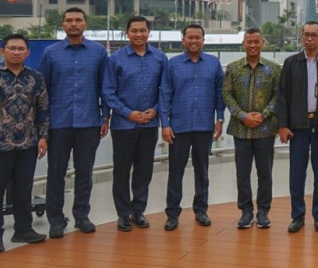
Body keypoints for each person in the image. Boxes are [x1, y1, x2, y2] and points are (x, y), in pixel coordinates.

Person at [38, 7, 110, 239]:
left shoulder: (98, 52)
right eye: (69, 20)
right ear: (63, 24)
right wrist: (43, 125)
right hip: (58, 123)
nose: (74, 24)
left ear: (85, 24)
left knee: (84, 172)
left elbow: (104, 87)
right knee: (56, 173)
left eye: (78, 20)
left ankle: (81, 215)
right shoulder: (51, 53)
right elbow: (43, 92)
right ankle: (56, 220)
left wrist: (105, 116)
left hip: (89, 121)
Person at [0, 34, 50, 254]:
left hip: (28, 144)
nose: (16, 52)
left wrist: (43, 136)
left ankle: (23, 230)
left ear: (27, 52)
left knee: (23, 190)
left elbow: (43, 110)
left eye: (21, 49)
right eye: (12, 48)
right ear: (2, 51)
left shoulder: (36, 78)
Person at [103, 16, 168, 232]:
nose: (138, 34)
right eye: (134, 31)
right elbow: (108, 92)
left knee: (144, 170)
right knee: (121, 170)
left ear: (149, 32)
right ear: (127, 33)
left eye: (142, 30)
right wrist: (128, 113)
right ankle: (123, 214)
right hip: (123, 125)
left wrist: (156, 110)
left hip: (149, 124)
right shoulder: (116, 59)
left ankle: (138, 210)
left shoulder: (160, 58)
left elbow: (166, 90)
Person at [159, 24, 225, 231]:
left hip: (204, 125)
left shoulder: (214, 64)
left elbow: (219, 94)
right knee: (175, 171)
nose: (194, 41)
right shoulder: (173, 64)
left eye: (198, 37)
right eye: (190, 37)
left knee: (202, 170)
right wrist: (165, 124)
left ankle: (201, 210)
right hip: (179, 126)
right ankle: (172, 214)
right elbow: (165, 95)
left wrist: (220, 119)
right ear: (183, 40)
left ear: (203, 40)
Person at [277, 21, 318, 233]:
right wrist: (283, 125)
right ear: (301, 37)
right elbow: (283, 95)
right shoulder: (291, 63)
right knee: (297, 172)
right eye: (306, 35)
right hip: (297, 125)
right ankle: (297, 215)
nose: (310, 38)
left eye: (314, 35)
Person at [223, 27, 281, 229]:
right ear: (244, 44)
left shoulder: (274, 69)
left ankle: (263, 211)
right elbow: (227, 95)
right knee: (242, 173)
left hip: (265, 130)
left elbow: (278, 96)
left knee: (265, 172)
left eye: (257, 41)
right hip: (241, 129)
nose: (253, 45)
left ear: (263, 43)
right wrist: (242, 116)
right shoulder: (233, 68)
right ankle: (246, 211)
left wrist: (263, 114)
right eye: (249, 42)